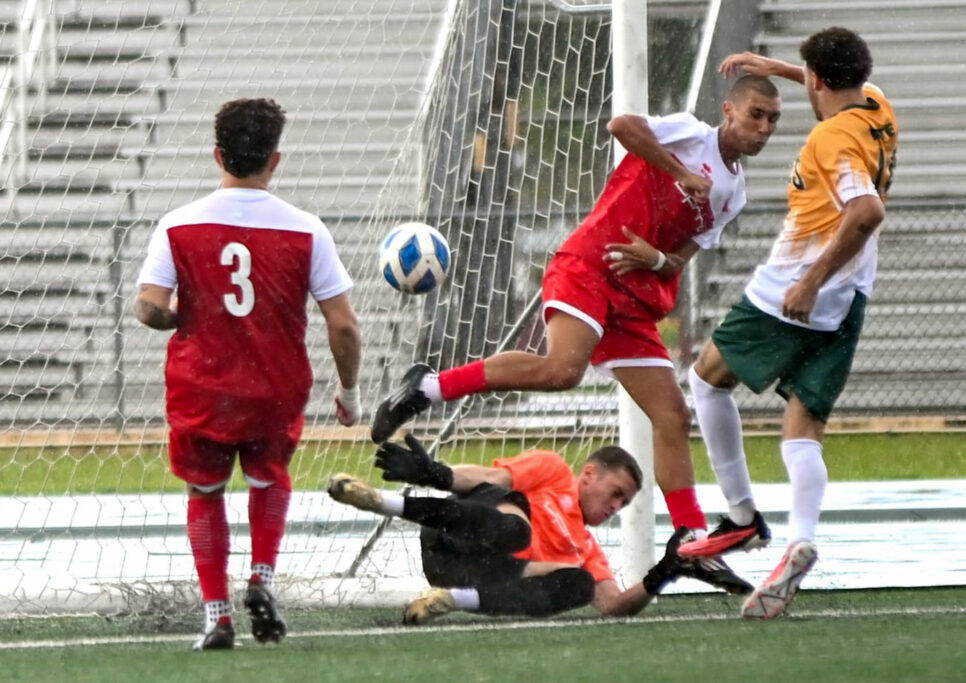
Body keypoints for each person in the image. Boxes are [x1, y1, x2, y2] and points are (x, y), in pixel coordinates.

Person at [370, 76, 783, 592]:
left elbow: (683, 256)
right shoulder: (689, 135)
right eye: (755, 114)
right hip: (590, 264)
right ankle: (427, 387)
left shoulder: (735, 193)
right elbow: (622, 126)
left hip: (634, 299)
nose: (763, 127)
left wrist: (658, 260)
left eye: (772, 120)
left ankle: (689, 539)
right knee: (561, 371)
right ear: (729, 110)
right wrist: (680, 172)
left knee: (672, 414)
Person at [677, 27, 899, 620]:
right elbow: (825, 79)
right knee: (803, 426)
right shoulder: (877, 105)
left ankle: (743, 519)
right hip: (852, 298)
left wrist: (807, 282)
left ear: (819, 81)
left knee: (705, 379)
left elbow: (865, 211)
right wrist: (770, 67)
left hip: (794, 291)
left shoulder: (831, 140)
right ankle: (800, 538)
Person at [134, 98, 363, 650]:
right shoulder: (307, 230)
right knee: (268, 479)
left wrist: (169, 316)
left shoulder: (177, 225)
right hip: (274, 387)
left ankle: (216, 614)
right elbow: (345, 327)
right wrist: (350, 392)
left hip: (202, 386)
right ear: (274, 161)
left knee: (204, 490)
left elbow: (148, 307)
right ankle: (261, 577)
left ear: (217, 154)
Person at [327, 434, 723, 623]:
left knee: (580, 583)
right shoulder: (553, 471)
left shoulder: (586, 547)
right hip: (452, 532)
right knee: (518, 529)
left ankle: (450, 601)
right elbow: (487, 477)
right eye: (616, 493)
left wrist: (664, 573)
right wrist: (437, 473)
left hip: (462, 574)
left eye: (624, 504)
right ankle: (386, 503)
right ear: (589, 474)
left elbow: (613, 606)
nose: (616, 508)